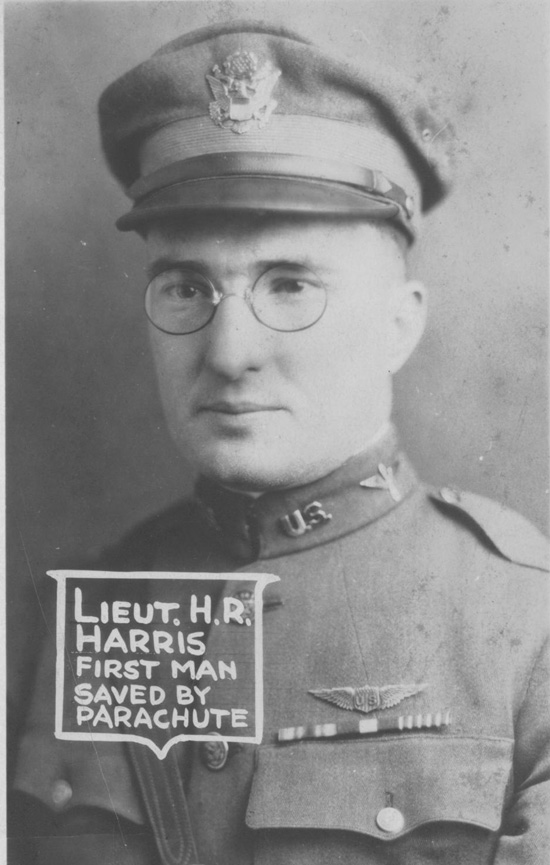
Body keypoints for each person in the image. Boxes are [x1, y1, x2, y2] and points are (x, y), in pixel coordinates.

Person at [10, 19, 549, 865]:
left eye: (290, 284)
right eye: (186, 286)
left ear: (400, 323)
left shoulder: (529, 626)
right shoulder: (53, 618)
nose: (227, 355)